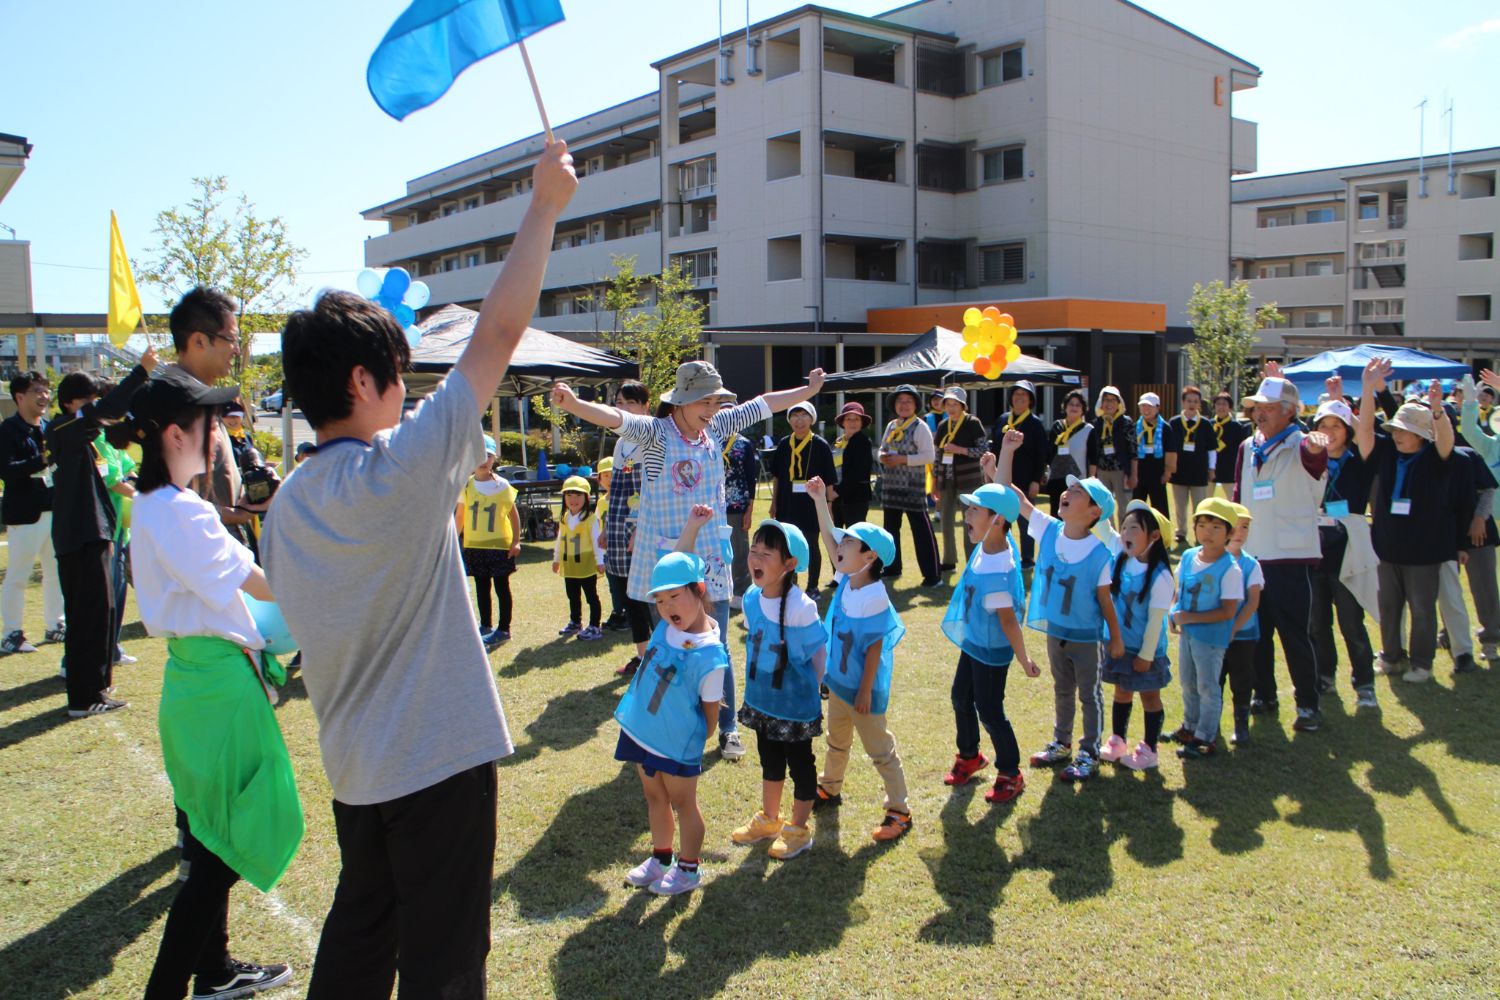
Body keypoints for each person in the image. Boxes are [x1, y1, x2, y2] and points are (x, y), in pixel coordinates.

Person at [262, 138, 576, 999]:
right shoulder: (401, 472)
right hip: (437, 767)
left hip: (356, 771)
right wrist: (544, 203)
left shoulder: (286, 506)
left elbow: (287, 620)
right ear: (364, 380)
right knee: (443, 964)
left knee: (361, 939)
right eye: (401, 374)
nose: (411, 388)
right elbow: (500, 333)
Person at [551, 359, 825, 762]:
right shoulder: (656, 434)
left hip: (711, 554)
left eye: (717, 402)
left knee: (718, 648)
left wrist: (807, 392)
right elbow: (615, 418)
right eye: (706, 402)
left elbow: (765, 403)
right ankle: (673, 724)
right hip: (668, 560)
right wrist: (574, 403)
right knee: (674, 646)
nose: (713, 410)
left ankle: (727, 728)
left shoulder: (716, 426)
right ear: (682, 401)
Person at [130, 371, 301, 1000]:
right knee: (224, 849)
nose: (216, 435)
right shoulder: (179, 511)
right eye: (207, 425)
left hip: (195, 681)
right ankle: (173, 985)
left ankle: (213, 971)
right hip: (219, 687)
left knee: (210, 838)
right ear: (177, 433)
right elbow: (261, 584)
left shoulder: (153, 505)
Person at [993, 438, 1123, 783]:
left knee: (1089, 695)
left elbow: (1107, 601)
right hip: (1057, 631)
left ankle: (1089, 751)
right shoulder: (1049, 529)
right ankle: (1062, 742)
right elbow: (1015, 499)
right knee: (1062, 689)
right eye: (1070, 490)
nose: (1067, 493)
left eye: (1078, 492)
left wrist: (1116, 639)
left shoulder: (1099, 554)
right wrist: (1005, 456)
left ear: (1095, 512)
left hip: (1086, 636)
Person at [615, 507, 729, 897]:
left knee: (683, 803)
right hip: (643, 731)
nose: (666, 608)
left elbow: (711, 716)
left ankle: (688, 868)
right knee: (654, 796)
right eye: (660, 601)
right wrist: (691, 528)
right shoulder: (667, 625)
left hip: (677, 740)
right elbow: (676, 562)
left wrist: (691, 741)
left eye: (674, 598)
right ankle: (661, 858)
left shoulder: (711, 655)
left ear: (700, 592)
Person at [47, 349, 156, 716]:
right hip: (79, 535)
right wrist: (140, 372)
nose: (95, 407)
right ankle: (85, 696)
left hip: (94, 532)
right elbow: (105, 411)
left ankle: (95, 689)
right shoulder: (62, 428)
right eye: (88, 400)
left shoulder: (84, 435)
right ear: (70, 403)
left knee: (101, 611)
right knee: (88, 614)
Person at [804, 478, 911, 842]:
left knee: (880, 751)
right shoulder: (850, 578)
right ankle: (829, 787)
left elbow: (875, 650)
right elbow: (828, 540)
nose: (841, 546)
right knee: (836, 741)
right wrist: (820, 500)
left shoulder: (875, 595)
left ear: (869, 557)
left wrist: (865, 691)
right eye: (844, 540)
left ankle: (899, 809)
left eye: (849, 542)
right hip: (839, 684)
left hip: (863, 692)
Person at [1233, 366, 1330, 731]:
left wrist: (1317, 448)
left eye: (1269, 407)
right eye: (1258, 406)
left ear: (1290, 410)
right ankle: (1264, 694)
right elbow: (1239, 497)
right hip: (1254, 552)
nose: (1260, 412)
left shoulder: (1303, 442)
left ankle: (1308, 704)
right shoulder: (1248, 445)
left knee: (1295, 634)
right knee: (1256, 632)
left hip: (1290, 555)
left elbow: (1316, 460)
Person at [729, 519, 829, 860]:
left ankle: (799, 830)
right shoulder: (752, 599)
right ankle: (770, 820)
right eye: (753, 551)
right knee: (769, 760)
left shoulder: (802, 607)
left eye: (766, 553)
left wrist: (814, 691)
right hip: (762, 701)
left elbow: (818, 656)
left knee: (800, 764)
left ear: (789, 565)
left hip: (795, 707)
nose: (755, 558)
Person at [1354, 361, 1455, 688]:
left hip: (1424, 551)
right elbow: (1365, 431)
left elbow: (1446, 442)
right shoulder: (1385, 451)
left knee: (1422, 609)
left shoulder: (1433, 458)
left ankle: (1422, 663)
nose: (1396, 434)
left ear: (1420, 435)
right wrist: (1368, 390)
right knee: (1388, 606)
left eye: (1402, 430)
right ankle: (1392, 656)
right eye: (1395, 429)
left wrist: (1438, 411)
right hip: (1386, 544)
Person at [938, 483, 1039, 804]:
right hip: (974, 642)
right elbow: (1005, 496)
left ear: (996, 520)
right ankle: (970, 755)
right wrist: (1000, 464)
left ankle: (1010, 772)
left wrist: (1023, 659)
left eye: (973, 510)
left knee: (991, 710)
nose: (965, 514)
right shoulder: (991, 543)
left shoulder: (999, 567)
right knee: (960, 697)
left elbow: (1009, 621)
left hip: (991, 650)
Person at [165, 287, 259, 546]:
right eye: (230, 339)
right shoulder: (182, 408)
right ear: (198, 341)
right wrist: (236, 515)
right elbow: (179, 503)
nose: (237, 350)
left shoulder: (200, 401)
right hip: (204, 557)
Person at [1306, 386, 1380, 708]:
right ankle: (1325, 678)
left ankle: (1364, 684)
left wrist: (1364, 389)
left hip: (1348, 555)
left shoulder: (1360, 459)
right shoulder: (1309, 462)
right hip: (1314, 554)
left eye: (1337, 426)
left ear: (1347, 430)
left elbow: (1368, 429)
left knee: (1352, 624)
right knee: (1317, 624)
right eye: (1323, 425)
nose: (1329, 432)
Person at [1163, 498, 1244, 759]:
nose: (1207, 533)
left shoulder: (1229, 568)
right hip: (1188, 634)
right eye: (1202, 525)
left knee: (1208, 687)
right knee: (1187, 682)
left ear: (1230, 533)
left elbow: (1228, 611)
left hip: (1210, 638)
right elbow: (1180, 590)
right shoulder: (1187, 556)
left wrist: (1189, 617)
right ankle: (1189, 726)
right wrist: (1173, 614)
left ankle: (1206, 736)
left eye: (1216, 527)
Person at [1098, 501, 1174, 771]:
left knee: (1150, 697)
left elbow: (1156, 622)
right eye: (1124, 526)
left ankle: (1150, 749)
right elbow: (1103, 529)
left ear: (1154, 537)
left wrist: (1146, 655)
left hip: (1146, 650)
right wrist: (1093, 499)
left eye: (1134, 528)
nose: (1126, 533)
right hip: (1120, 646)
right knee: (1122, 692)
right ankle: (1118, 740)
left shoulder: (1161, 576)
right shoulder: (1122, 557)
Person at [0, 370, 66, 653]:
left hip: (53, 509)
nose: (44, 396)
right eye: (36, 391)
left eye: (45, 390)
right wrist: (37, 462)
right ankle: (12, 633)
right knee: (18, 575)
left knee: (55, 572)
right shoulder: (8, 430)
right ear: (19, 397)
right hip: (24, 514)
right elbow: (6, 471)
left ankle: (56, 625)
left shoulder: (50, 428)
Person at [601, 381, 651, 673]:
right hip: (620, 521)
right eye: (619, 403)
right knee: (627, 591)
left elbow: (653, 492)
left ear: (645, 405)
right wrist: (609, 527)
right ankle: (642, 654)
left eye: (631, 403)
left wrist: (640, 530)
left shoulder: (652, 436)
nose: (624, 409)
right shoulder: (621, 442)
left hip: (643, 526)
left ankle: (657, 656)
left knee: (647, 593)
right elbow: (616, 491)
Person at [768, 400, 836, 595]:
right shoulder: (783, 444)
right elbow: (777, 476)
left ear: (812, 419)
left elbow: (830, 479)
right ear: (789, 420)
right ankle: (791, 585)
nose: (799, 420)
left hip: (811, 504)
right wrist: (774, 504)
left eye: (804, 415)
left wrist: (828, 505)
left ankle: (813, 586)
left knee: (812, 543)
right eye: (795, 416)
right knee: (788, 545)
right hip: (787, 504)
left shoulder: (820, 445)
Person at [456, 444, 520, 646]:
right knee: (482, 588)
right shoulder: (465, 485)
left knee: (502, 588)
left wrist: (516, 541)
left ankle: (504, 629)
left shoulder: (503, 485)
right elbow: (460, 515)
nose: (483, 460)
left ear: (494, 458)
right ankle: (485, 626)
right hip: (475, 546)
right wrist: (453, 541)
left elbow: (514, 515)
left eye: (488, 455)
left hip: (499, 547)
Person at [877, 384, 941, 586]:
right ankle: (892, 568)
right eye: (900, 401)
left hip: (913, 487)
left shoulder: (920, 426)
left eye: (908, 401)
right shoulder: (891, 426)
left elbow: (929, 456)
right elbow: (881, 449)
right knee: (890, 530)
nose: (903, 405)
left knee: (921, 531)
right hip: (891, 487)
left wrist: (902, 460)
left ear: (915, 405)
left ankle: (932, 576)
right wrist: (883, 457)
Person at [1436, 441, 1485, 675]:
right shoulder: (1400, 454)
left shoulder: (1462, 457)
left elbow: (1465, 503)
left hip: (1446, 540)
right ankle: (1398, 653)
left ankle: (1463, 653)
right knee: (1403, 604)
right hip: (1406, 543)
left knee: (1452, 598)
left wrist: (1462, 544)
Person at [1461, 371, 1500, 662]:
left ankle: (1492, 632)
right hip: (1490, 518)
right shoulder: (1490, 444)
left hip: (1489, 520)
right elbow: (1469, 430)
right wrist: (1471, 404)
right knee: (1484, 581)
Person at [988, 380, 1047, 568]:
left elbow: (1041, 453)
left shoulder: (1035, 423)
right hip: (1003, 478)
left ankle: (1028, 558)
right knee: (1002, 518)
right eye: (1016, 394)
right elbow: (996, 448)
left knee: (1025, 520)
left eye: (1024, 395)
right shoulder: (1003, 420)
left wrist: (1036, 480)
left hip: (1025, 478)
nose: (1020, 398)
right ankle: (1004, 553)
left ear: (1030, 400)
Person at [1220, 503, 1264, 747]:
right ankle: (1210, 725)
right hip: (1214, 636)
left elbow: (1252, 603)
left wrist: (1234, 628)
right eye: (1235, 527)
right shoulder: (1211, 560)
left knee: (1241, 680)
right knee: (1213, 681)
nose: (1240, 532)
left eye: (1245, 527)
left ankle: (1241, 725)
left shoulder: (1251, 565)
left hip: (1243, 636)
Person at [932, 387, 989, 572]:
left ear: (962, 405)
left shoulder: (973, 423)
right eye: (948, 403)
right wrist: (935, 482)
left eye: (955, 404)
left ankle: (972, 560)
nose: (951, 407)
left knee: (970, 521)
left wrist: (961, 450)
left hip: (970, 481)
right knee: (946, 522)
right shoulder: (942, 425)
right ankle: (948, 561)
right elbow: (937, 455)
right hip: (947, 480)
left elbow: (983, 450)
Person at [98, 420, 139, 665]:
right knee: (101, 597)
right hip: (103, 530)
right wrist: (145, 495)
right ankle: (84, 657)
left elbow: (128, 469)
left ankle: (111, 647)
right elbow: (113, 479)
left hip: (120, 528)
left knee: (119, 592)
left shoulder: (115, 440)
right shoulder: (98, 439)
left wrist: (134, 481)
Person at [553, 474, 604, 640]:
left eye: (578, 495)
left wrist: (600, 561)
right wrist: (556, 559)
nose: (573, 499)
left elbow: (597, 542)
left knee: (591, 597)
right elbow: (560, 540)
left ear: (587, 497)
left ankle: (595, 626)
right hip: (570, 566)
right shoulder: (564, 517)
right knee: (572, 596)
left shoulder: (591, 519)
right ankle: (575, 622)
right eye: (569, 495)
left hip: (586, 565)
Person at [1167, 386, 1217, 543]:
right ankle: (1181, 532)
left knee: (1200, 506)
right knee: (1180, 506)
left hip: (1199, 471)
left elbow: (1211, 449)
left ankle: (1199, 533)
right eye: (1189, 401)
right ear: (1182, 402)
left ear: (1199, 404)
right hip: (1179, 471)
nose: (1192, 404)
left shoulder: (1206, 424)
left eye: (1196, 401)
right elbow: (1168, 448)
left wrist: (1212, 468)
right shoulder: (1174, 423)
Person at [721, 412, 760, 610]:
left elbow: (751, 477)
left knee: (739, 548)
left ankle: (741, 590)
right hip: (712, 505)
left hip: (737, 505)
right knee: (715, 550)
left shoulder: (744, 444)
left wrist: (749, 509)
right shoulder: (707, 439)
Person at [1043, 389, 1098, 515]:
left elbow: (1093, 458)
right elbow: (1049, 453)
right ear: (1065, 407)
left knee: (1075, 514)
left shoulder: (1088, 430)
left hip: (1078, 480)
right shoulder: (1057, 426)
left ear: (1083, 409)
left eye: (1078, 405)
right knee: (1056, 514)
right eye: (1071, 404)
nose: (1074, 407)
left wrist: (1090, 480)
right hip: (1056, 478)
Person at [1091, 385, 1135, 528]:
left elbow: (1133, 450)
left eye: (1112, 400)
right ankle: (1111, 537)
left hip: (1121, 470)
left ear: (1118, 403)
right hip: (1102, 471)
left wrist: (1133, 474)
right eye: (1105, 400)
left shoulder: (1126, 422)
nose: (1109, 403)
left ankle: (1125, 536)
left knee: (1124, 506)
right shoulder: (1097, 423)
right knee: (1105, 506)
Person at [831, 401, 874, 528]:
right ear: (843, 422)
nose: (852, 422)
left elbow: (858, 473)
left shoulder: (863, 442)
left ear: (862, 422)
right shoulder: (838, 441)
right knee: (836, 536)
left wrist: (837, 492)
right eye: (848, 419)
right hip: (836, 498)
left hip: (856, 498)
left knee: (854, 539)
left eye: (856, 419)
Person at [1131, 392, 1170, 519]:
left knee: (1160, 508)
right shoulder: (1135, 427)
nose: (1146, 410)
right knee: (1137, 506)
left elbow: (1171, 451)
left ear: (1157, 408)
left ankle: (1162, 535)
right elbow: (1131, 451)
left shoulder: (1165, 428)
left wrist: (1168, 471)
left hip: (1158, 472)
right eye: (1143, 406)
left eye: (1149, 406)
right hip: (1139, 472)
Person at [1211, 391, 1251, 498]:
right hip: (1211, 470)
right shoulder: (1209, 425)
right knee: (1206, 501)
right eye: (1218, 404)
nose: (1221, 407)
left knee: (1233, 500)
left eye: (1224, 404)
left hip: (1229, 470)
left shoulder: (1237, 426)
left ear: (1230, 407)